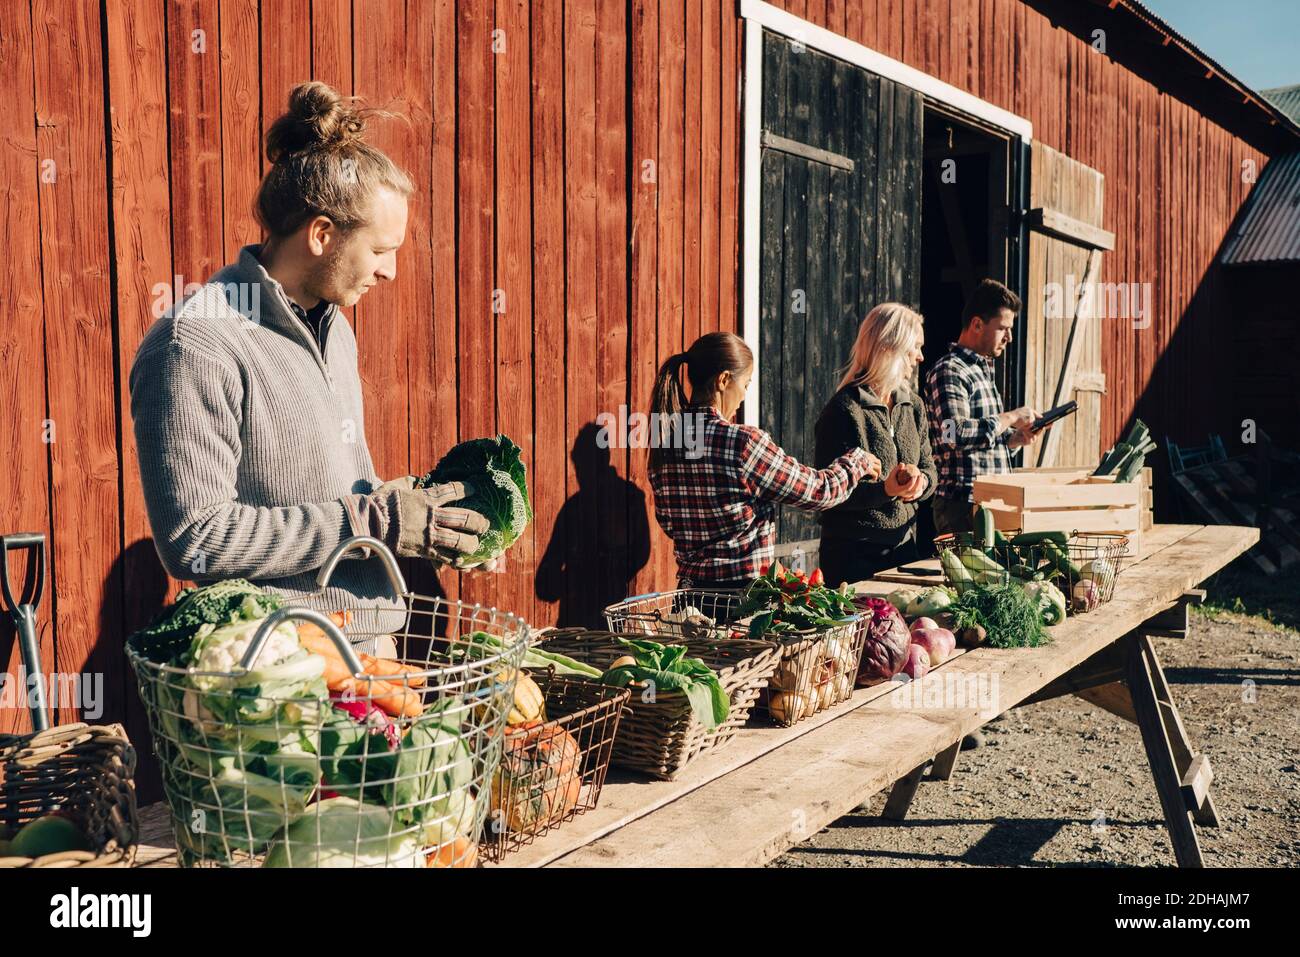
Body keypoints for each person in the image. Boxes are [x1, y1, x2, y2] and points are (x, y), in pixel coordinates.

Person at [130, 82, 491, 642]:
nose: (390, 271)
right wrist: (376, 520)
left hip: (374, 656)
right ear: (322, 234)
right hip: (280, 675)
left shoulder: (334, 328)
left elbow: (348, 496)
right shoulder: (195, 343)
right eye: (379, 250)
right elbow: (195, 541)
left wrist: (428, 520)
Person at [647, 332, 881, 588]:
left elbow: (669, 524)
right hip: (742, 600)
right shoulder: (742, 444)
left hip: (692, 597)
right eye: (746, 384)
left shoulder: (665, 445)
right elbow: (818, 492)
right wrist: (858, 461)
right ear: (724, 380)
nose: (744, 395)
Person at [813, 304, 938, 587]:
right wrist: (885, 490)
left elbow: (930, 468)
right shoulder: (844, 410)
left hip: (904, 548)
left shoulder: (913, 405)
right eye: (913, 348)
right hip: (853, 555)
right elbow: (830, 492)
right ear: (889, 349)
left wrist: (921, 483)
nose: (920, 357)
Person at [924, 279, 1045, 536]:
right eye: (1003, 328)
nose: (1009, 337)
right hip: (962, 506)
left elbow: (976, 450)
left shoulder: (982, 371)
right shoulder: (950, 371)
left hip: (986, 503)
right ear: (977, 324)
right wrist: (1012, 416)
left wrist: (1012, 441)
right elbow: (953, 434)